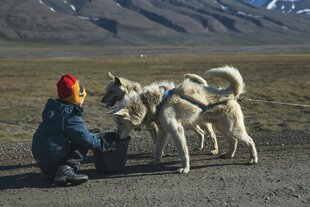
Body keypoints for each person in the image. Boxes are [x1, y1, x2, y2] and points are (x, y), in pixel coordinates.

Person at [32, 74, 111, 186]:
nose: (83, 100)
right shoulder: (69, 116)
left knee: (76, 138)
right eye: (82, 97)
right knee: (83, 142)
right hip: (52, 155)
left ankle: (50, 172)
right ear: (76, 98)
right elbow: (85, 138)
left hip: (42, 157)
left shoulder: (56, 110)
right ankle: (66, 171)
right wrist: (103, 144)